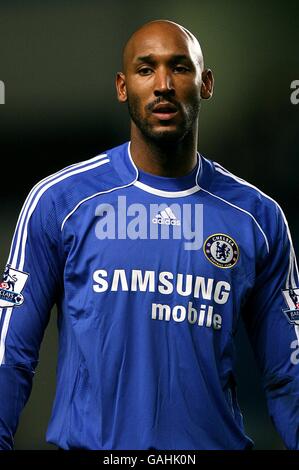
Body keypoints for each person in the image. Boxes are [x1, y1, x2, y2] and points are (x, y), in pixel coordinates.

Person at [0, 19, 298, 451]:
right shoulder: (60, 202)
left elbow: (289, 371)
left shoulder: (257, 217)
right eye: (146, 70)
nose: (163, 84)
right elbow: (9, 355)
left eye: (179, 68)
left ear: (206, 83)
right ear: (122, 87)